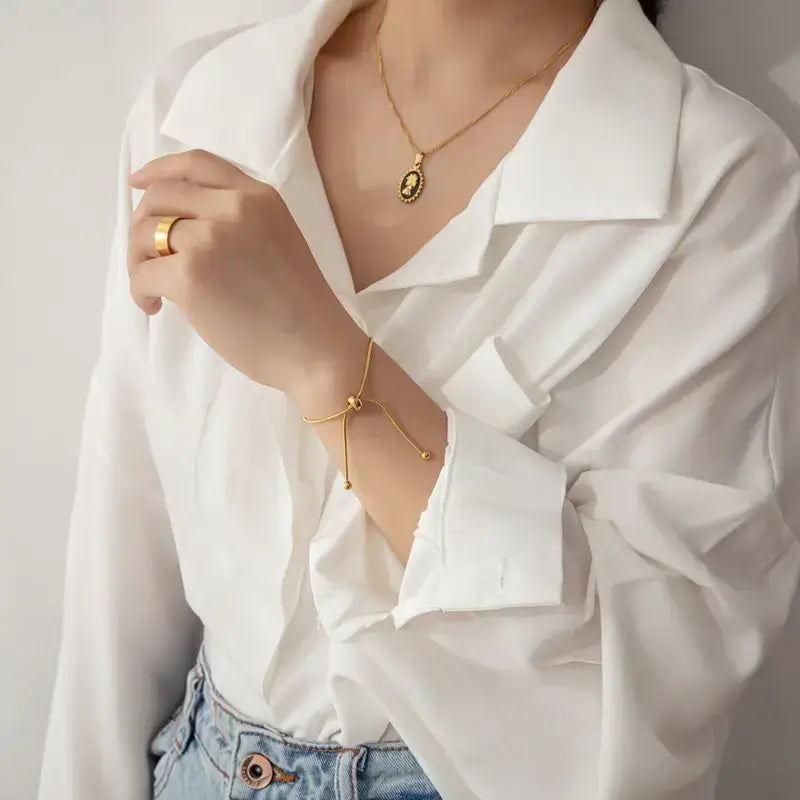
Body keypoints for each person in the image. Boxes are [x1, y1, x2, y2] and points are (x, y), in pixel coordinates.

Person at [38, 0, 800, 798]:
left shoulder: (716, 183)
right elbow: (117, 579)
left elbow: (635, 712)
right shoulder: (205, 105)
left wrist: (326, 363)